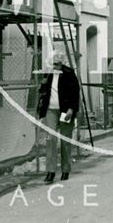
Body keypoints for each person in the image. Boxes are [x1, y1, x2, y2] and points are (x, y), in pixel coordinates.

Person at [37, 52, 80, 183]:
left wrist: (71, 109)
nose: (55, 66)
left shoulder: (69, 74)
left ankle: (65, 170)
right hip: (51, 110)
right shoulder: (48, 74)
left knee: (65, 140)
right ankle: (50, 171)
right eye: (53, 63)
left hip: (65, 111)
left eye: (57, 64)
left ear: (62, 63)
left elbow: (75, 92)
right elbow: (42, 92)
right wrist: (42, 85)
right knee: (51, 139)